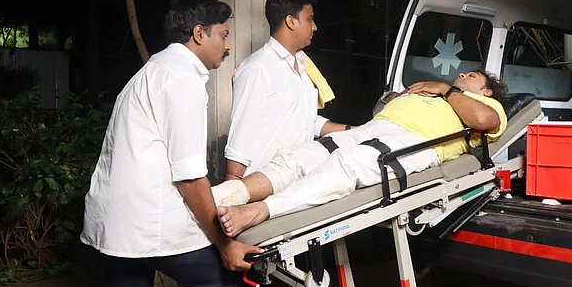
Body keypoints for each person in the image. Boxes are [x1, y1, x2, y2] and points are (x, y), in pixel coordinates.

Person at [69, 0, 261, 287]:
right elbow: (190, 177)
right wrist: (225, 245)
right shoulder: (182, 79)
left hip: (115, 228)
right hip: (151, 224)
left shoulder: (151, 71)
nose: (228, 45)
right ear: (198, 33)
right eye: (224, 35)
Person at [212, 70, 509, 237]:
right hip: (375, 127)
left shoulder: (485, 106)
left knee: (346, 165)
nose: (462, 73)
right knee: (298, 156)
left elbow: (483, 123)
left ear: (487, 92)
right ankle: (229, 193)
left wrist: (445, 90)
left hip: (415, 142)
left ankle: (260, 211)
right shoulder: (434, 90)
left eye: (471, 75)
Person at [221, 0, 347, 287]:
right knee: (250, 262)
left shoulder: (303, 66)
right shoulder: (257, 69)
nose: (315, 26)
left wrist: (355, 131)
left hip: (300, 173)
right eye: (310, 19)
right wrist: (234, 192)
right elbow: (240, 133)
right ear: (290, 21)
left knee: (311, 249)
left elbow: (309, 122)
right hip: (266, 180)